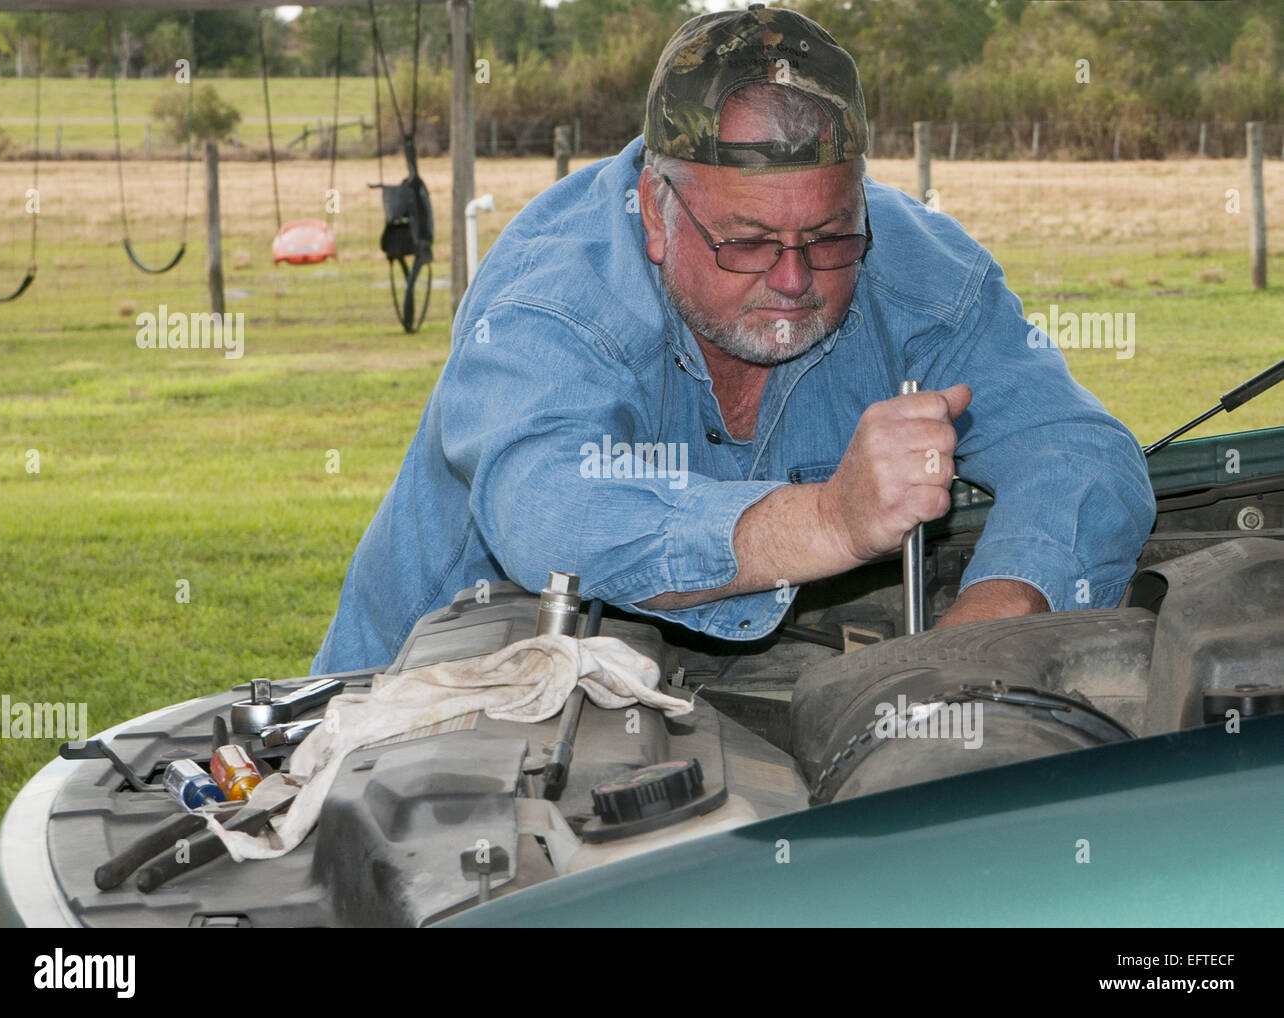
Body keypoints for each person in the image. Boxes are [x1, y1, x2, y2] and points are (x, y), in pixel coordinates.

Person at [311, 4, 1155, 675]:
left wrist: (986, 629)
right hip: (420, 719)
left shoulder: (917, 269)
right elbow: (549, 508)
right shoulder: (554, 295)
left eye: (829, 237)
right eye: (746, 243)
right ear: (653, 210)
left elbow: (1077, 448)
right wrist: (829, 519)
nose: (793, 280)